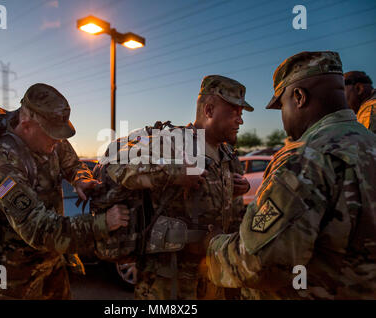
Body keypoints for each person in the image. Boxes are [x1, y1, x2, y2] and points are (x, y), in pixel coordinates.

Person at [206, 51, 376, 299]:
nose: (283, 120)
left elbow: (258, 263)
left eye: (281, 106)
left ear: (298, 97)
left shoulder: (307, 160)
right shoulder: (369, 143)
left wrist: (209, 247)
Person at [0, 83, 130, 299]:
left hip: (52, 261)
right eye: (52, 134)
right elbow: (40, 230)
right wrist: (104, 223)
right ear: (26, 125)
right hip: (12, 274)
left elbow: (73, 164)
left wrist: (81, 179)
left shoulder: (50, 139)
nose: (58, 141)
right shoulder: (1, 166)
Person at [106, 75, 252, 300]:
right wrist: (174, 172)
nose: (240, 121)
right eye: (234, 113)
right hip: (168, 280)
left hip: (214, 274)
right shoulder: (171, 141)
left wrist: (236, 189)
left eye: (241, 115)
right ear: (210, 110)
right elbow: (115, 163)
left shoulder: (228, 154)